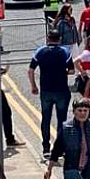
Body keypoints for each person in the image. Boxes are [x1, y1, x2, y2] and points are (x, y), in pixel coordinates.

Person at [29, 29, 74, 159]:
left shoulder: (40, 51)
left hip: (46, 91)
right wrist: (61, 72)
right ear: (59, 39)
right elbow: (71, 70)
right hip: (61, 90)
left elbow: (30, 70)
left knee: (46, 119)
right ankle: (60, 148)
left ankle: (46, 149)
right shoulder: (65, 52)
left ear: (48, 39)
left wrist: (33, 86)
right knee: (62, 120)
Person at [44, 98, 90, 179]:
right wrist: (49, 168)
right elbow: (57, 150)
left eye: (85, 110)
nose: (83, 113)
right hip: (72, 171)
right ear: (74, 112)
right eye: (80, 110)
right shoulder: (66, 128)